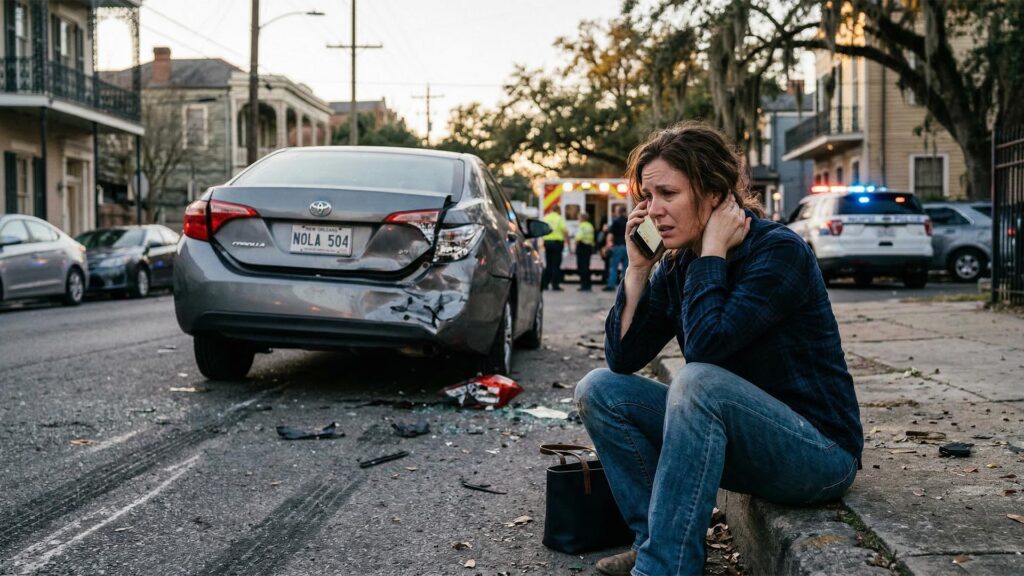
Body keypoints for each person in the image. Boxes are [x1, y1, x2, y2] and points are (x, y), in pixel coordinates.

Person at [574, 122, 862, 576]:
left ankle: (663, 568)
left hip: (817, 455)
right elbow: (623, 358)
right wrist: (635, 269)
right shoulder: (678, 263)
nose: (653, 211)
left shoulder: (778, 252)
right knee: (600, 389)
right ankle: (655, 542)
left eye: (668, 194)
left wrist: (712, 252)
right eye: (647, 198)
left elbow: (709, 351)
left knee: (697, 379)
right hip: (741, 446)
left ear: (713, 194)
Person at [541, 209, 569, 291]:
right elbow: (565, 230)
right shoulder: (559, 218)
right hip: (557, 244)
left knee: (548, 264)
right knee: (556, 265)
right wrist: (567, 240)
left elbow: (542, 229)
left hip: (547, 243)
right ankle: (555, 285)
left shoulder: (546, 218)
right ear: (558, 211)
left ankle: (545, 285)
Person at [604, 205, 628, 291]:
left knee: (613, 267)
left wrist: (607, 247)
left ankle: (611, 285)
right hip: (627, 247)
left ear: (618, 212)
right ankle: (626, 287)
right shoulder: (628, 220)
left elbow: (610, 235)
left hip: (617, 247)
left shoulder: (616, 221)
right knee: (626, 268)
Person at [574, 212, 596, 291]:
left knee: (581, 267)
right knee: (586, 266)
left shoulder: (582, 226)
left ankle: (584, 285)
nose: (578, 219)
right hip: (589, 247)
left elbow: (578, 237)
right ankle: (588, 284)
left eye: (579, 217)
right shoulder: (590, 225)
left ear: (582, 218)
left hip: (582, 247)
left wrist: (574, 247)